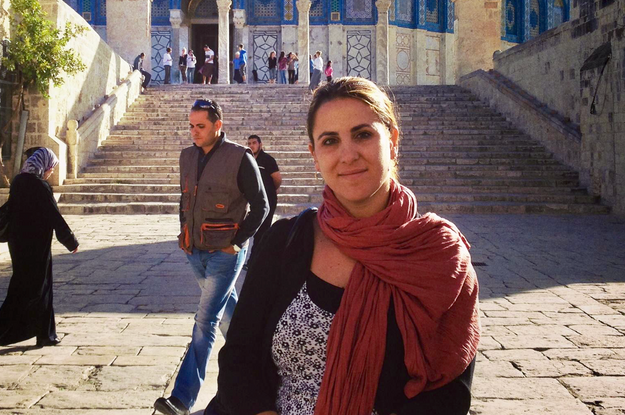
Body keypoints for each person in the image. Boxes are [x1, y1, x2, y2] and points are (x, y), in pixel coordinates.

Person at [212, 77, 479, 415]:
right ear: (314, 155)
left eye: (363, 134)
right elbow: (239, 358)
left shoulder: (440, 258)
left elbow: (448, 392)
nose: (347, 155)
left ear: (393, 140)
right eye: (330, 141)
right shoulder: (284, 242)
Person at [154, 99, 269, 415]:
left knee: (205, 320)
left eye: (200, 126)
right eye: (191, 125)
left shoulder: (239, 158)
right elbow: (185, 198)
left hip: (225, 253)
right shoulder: (187, 157)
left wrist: (237, 243)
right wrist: (183, 232)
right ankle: (262, 365)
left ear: (218, 125)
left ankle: (182, 398)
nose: (194, 132)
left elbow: (261, 206)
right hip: (195, 250)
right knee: (228, 312)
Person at [0, 148, 79, 355]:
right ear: (44, 165)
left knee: (42, 287)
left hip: (18, 243)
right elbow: (53, 215)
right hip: (36, 245)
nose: (50, 172)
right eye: (51, 168)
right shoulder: (40, 186)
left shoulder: (18, 181)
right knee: (28, 290)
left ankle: (46, 333)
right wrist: (70, 241)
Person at [245, 135, 281, 268]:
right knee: (258, 230)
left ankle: (254, 261)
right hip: (255, 201)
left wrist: (272, 190)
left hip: (268, 200)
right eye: (249, 143)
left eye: (254, 143)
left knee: (262, 230)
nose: (251, 145)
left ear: (260, 144)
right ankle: (263, 259)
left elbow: (277, 179)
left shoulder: (267, 160)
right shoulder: (247, 160)